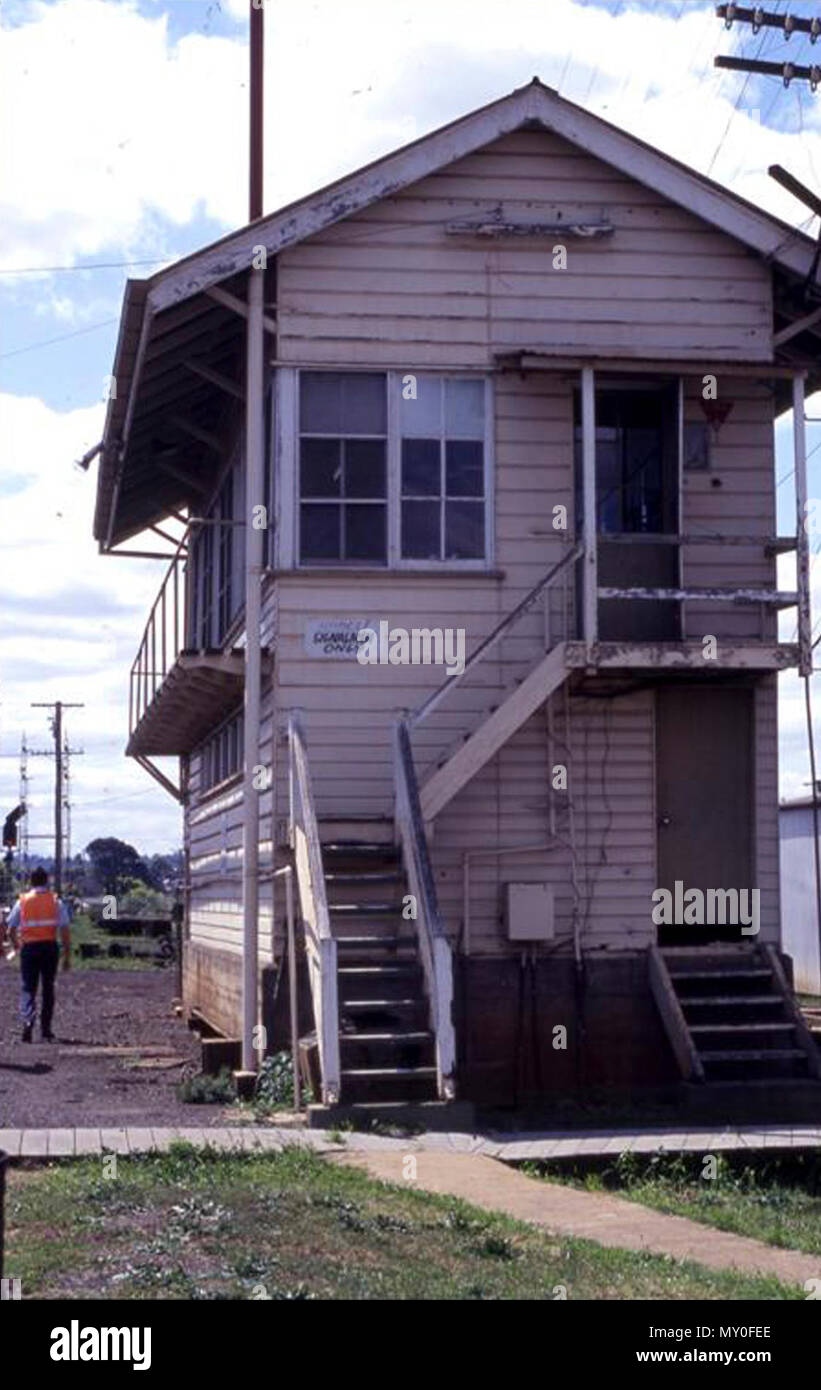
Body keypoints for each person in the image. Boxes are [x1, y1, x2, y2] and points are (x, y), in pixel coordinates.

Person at [7, 867, 71, 1043]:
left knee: (28, 987)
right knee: (48, 988)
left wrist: (17, 946)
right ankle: (46, 1030)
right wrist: (67, 956)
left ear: (30, 881)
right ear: (47, 881)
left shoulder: (23, 901)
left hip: (29, 949)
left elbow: (11, 929)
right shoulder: (55, 901)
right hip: (50, 948)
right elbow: (65, 930)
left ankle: (28, 1022)